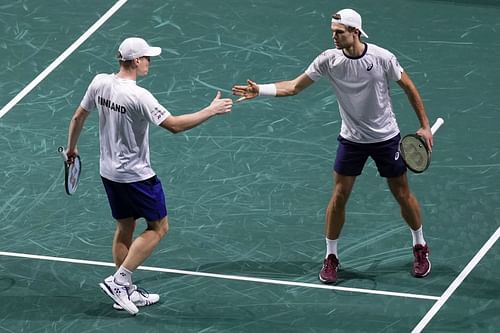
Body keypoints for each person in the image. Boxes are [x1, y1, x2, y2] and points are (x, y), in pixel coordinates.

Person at [232, 9, 432, 284]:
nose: (334, 37)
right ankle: (331, 256)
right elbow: (293, 87)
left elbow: (409, 87)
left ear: (355, 32)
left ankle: (419, 246)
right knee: (339, 197)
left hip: (386, 138)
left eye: (339, 32)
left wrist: (424, 126)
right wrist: (261, 90)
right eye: (332, 32)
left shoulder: (382, 58)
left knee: (402, 194)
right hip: (351, 139)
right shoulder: (329, 60)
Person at [65, 37, 233, 314]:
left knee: (125, 228)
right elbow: (175, 126)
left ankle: (125, 291)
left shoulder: (99, 82)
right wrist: (210, 111)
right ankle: (119, 281)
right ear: (135, 61)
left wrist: (72, 149)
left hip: (109, 172)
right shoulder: (139, 96)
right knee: (159, 228)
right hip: (136, 176)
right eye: (147, 58)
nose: (149, 62)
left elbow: (77, 117)